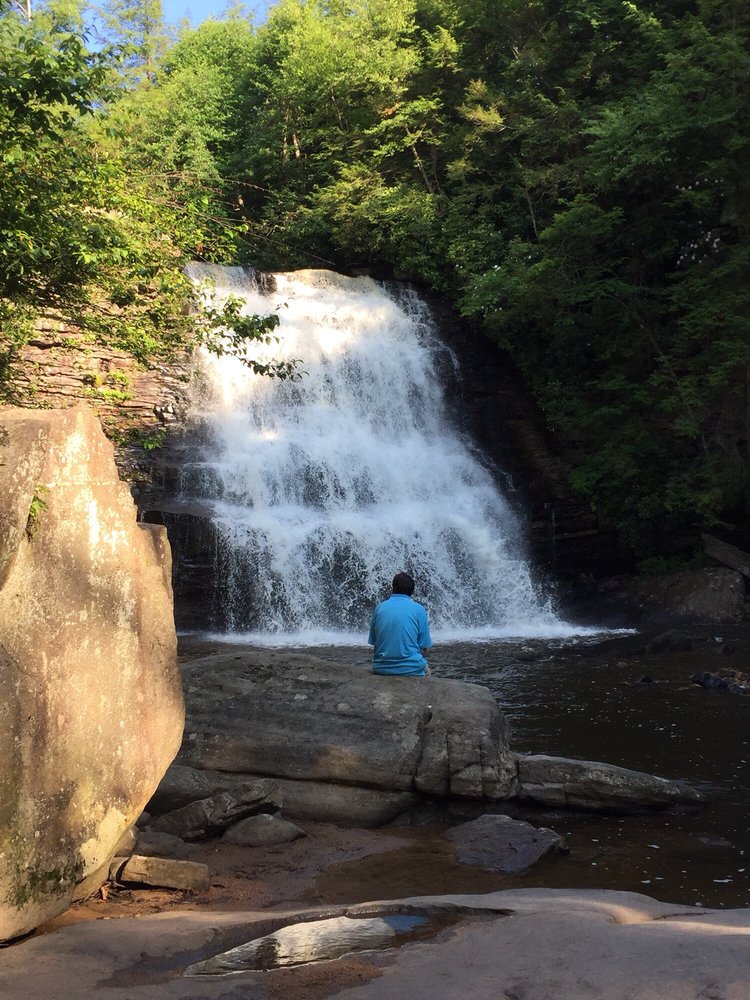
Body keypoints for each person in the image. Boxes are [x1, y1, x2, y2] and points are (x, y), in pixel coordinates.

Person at [368, 572, 433, 676]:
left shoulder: (379, 608)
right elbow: (424, 646)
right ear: (413, 591)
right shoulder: (419, 609)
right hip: (412, 669)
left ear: (393, 588)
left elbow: (374, 641)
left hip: (381, 668)